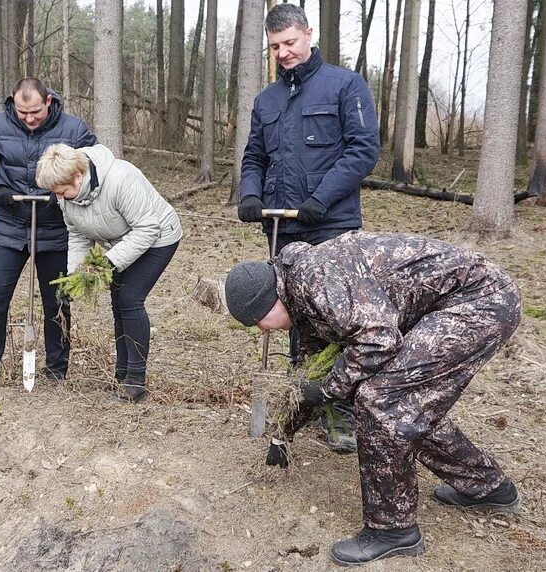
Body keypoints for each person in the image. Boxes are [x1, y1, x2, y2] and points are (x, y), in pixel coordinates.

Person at [223, 231, 523, 566]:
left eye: (259, 321)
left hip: (479, 302)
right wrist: (284, 434)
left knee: (380, 402)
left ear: (271, 300)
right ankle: (486, 486)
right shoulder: (298, 295)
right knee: (407, 408)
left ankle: (393, 530)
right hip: (456, 304)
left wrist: (327, 390)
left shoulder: (318, 281)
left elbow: (378, 341)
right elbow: (315, 374)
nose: (263, 330)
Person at [237, 4, 380, 453]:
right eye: (275, 46)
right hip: (284, 230)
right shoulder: (267, 101)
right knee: (296, 317)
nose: (283, 52)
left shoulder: (345, 85)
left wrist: (321, 199)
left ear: (308, 34)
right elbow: (254, 157)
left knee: (339, 318)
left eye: (290, 43)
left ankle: (342, 411)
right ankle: (303, 399)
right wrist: (250, 195)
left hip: (332, 225)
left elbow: (362, 150)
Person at [0, 77, 97, 389]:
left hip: (56, 228)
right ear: (13, 102)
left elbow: (93, 163)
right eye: (23, 113)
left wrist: (65, 191)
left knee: (57, 300)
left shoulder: (74, 129)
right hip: (8, 228)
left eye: (35, 111)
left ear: (48, 101)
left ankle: (56, 373)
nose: (30, 118)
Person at [36, 143, 182, 402]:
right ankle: (122, 374)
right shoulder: (67, 198)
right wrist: (76, 274)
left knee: (130, 299)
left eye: (61, 191)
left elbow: (147, 229)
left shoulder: (121, 179)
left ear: (78, 177)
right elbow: (78, 235)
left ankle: (135, 383)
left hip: (158, 236)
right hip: (120, 244)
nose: (58, 197)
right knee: (117, 303)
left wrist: (106, 264)